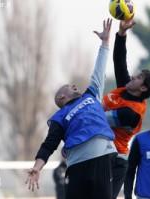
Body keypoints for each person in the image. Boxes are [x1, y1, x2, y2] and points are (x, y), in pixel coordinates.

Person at [25, 18, 117, 199]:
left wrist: (105, 43)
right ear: (61, 97)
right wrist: (37, 167)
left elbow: (99, 71)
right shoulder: (59, 117)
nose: (74, 85)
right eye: (69, 86)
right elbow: (49, 145)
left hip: (102, 158)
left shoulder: (92, 95)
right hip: (77, 164)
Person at [102, 19, 150, 198]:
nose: (133, 76)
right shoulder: (125, 90)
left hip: (114, 159)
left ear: (142, 88)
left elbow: (97, 120)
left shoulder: (131, 113)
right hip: (101, 153)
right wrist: (121, 34)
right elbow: (120, 62)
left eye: (138, 77)